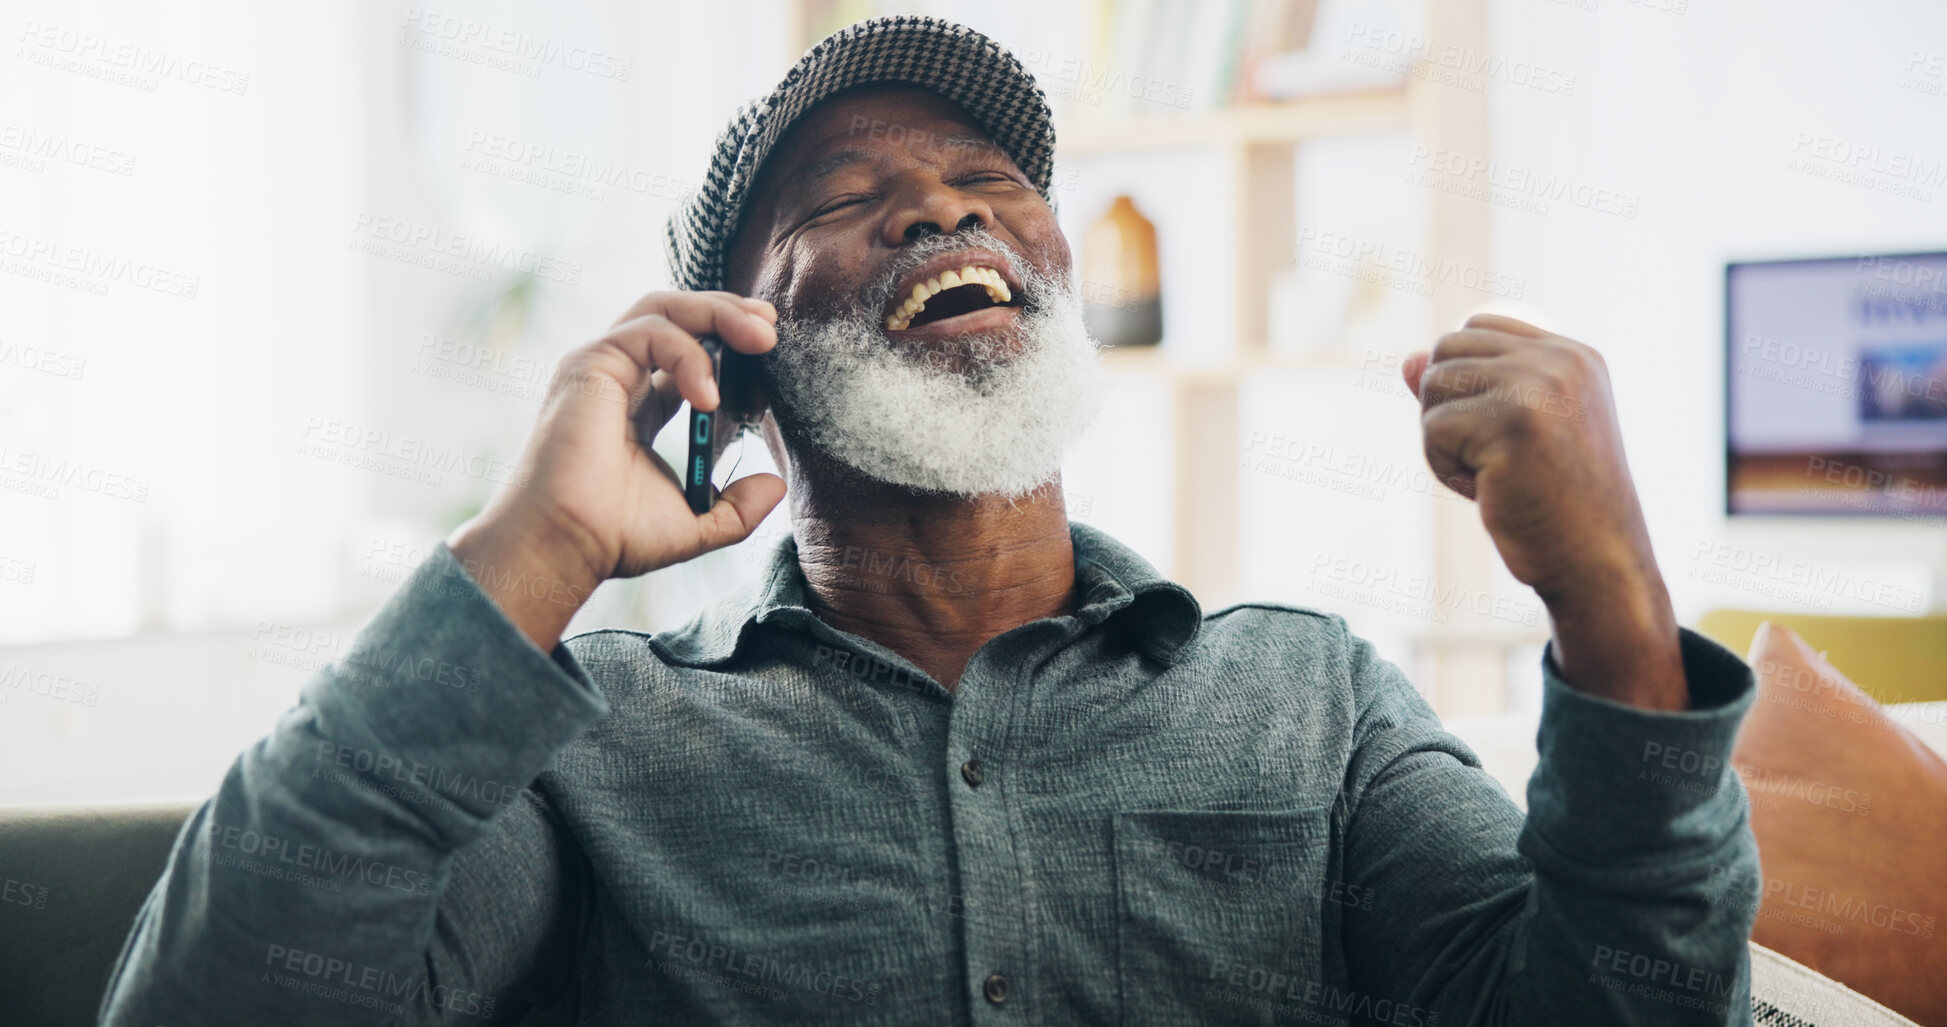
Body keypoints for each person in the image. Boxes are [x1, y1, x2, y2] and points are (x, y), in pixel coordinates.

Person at [100, 15, 1760, 1026]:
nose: (945, 203)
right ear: (729, 367)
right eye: (840, 200)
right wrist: (525, 555)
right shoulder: (598, 741)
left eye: (988, 177)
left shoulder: (1312, 706)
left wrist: (1610, 605)